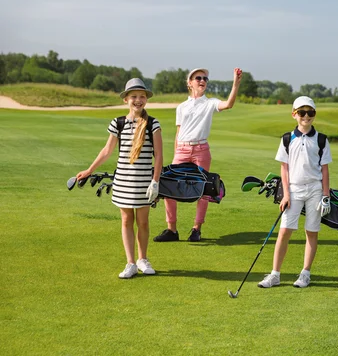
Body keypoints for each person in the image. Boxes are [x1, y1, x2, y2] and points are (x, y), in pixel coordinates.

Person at [76, 78, 163, 279]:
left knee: (143, 222)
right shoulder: (118, 123)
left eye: (142, 96)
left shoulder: (153, 123)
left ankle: (143, 259)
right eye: (134, 96)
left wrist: (155, 181)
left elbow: (158, 155)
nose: (138, 100)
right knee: (126, 220)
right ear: (126, 99)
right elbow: (107, 151)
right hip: (123, 180)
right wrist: (89, 170)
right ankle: (130, 263)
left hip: (144, 183)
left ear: (146, 100)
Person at [153, 67, 242, 242]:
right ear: (189, 83)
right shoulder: (181, 107)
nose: (202, 81)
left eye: (205, 79)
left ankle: (196, 228)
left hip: (201, 150)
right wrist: (177, 150)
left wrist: (235, 84)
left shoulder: (210, 103)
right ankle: (172, 229)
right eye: (198, 78)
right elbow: (179, 132)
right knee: (169, 185)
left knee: (203, 189)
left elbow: (228, 104)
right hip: (182, 150)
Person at [258, 96, 332, 289]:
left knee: (311, 232)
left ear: (314, 115)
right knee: (284, 232)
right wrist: (286, 194)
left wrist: (326, 195)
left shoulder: (321, 139)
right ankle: (275, 274)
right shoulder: (286, 139)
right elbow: (284, 168)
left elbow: (324, 169)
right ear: (294, 115)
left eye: (310, 112)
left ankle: (305, 273)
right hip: (294, 190)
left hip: (315, 189)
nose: (306, 116)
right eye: (302, 112)